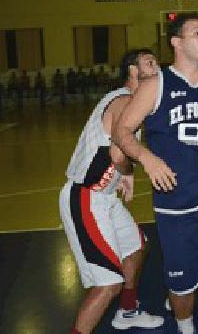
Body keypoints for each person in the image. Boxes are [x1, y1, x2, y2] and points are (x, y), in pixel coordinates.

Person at [112, 13, 198, 334]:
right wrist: (148, 159)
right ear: (176, 42)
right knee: (183, 286)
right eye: (197, 33)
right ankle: (186, 330)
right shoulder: (155, 85)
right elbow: (123, 131)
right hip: (178, 206)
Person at [59, 49, 164, 334]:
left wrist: (121, 175)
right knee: (109, 283)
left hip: (103, 197)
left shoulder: (131, 102)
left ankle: (128, 311)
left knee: (137, 246)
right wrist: (132, 170)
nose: (157, 66)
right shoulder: (125, 100)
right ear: (133, 71)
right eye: (149, 62)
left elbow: (114, 153)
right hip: (85, 197)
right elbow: (119, 155)